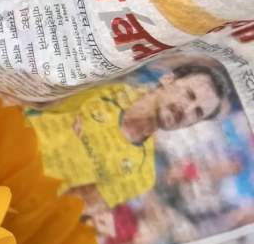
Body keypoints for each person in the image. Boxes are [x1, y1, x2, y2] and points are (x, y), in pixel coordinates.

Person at [30, 64, 233, 212]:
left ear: (190, 125)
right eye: (189, 95)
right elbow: (36, 102)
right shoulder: (108, 84)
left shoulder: (142, 175)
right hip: (13, 138)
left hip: (25, 194)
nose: (186, 110)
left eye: (197, 113)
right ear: (168, 79)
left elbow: (73, 207)